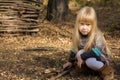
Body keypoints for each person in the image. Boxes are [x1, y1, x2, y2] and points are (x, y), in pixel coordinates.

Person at [63, 6, 114, 80]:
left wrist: (82, 57)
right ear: (78, 24)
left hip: (99, 58)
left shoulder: (97, 35)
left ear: (93, 25)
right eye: (82, 24)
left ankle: (107, 71)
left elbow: (98, 51)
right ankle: (86, 69)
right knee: (79, 52)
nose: (84, 27)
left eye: (88, 25)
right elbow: (74, 49)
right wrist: (70, 61)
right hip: (87, 57)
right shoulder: (78, 35)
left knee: (89, 60)